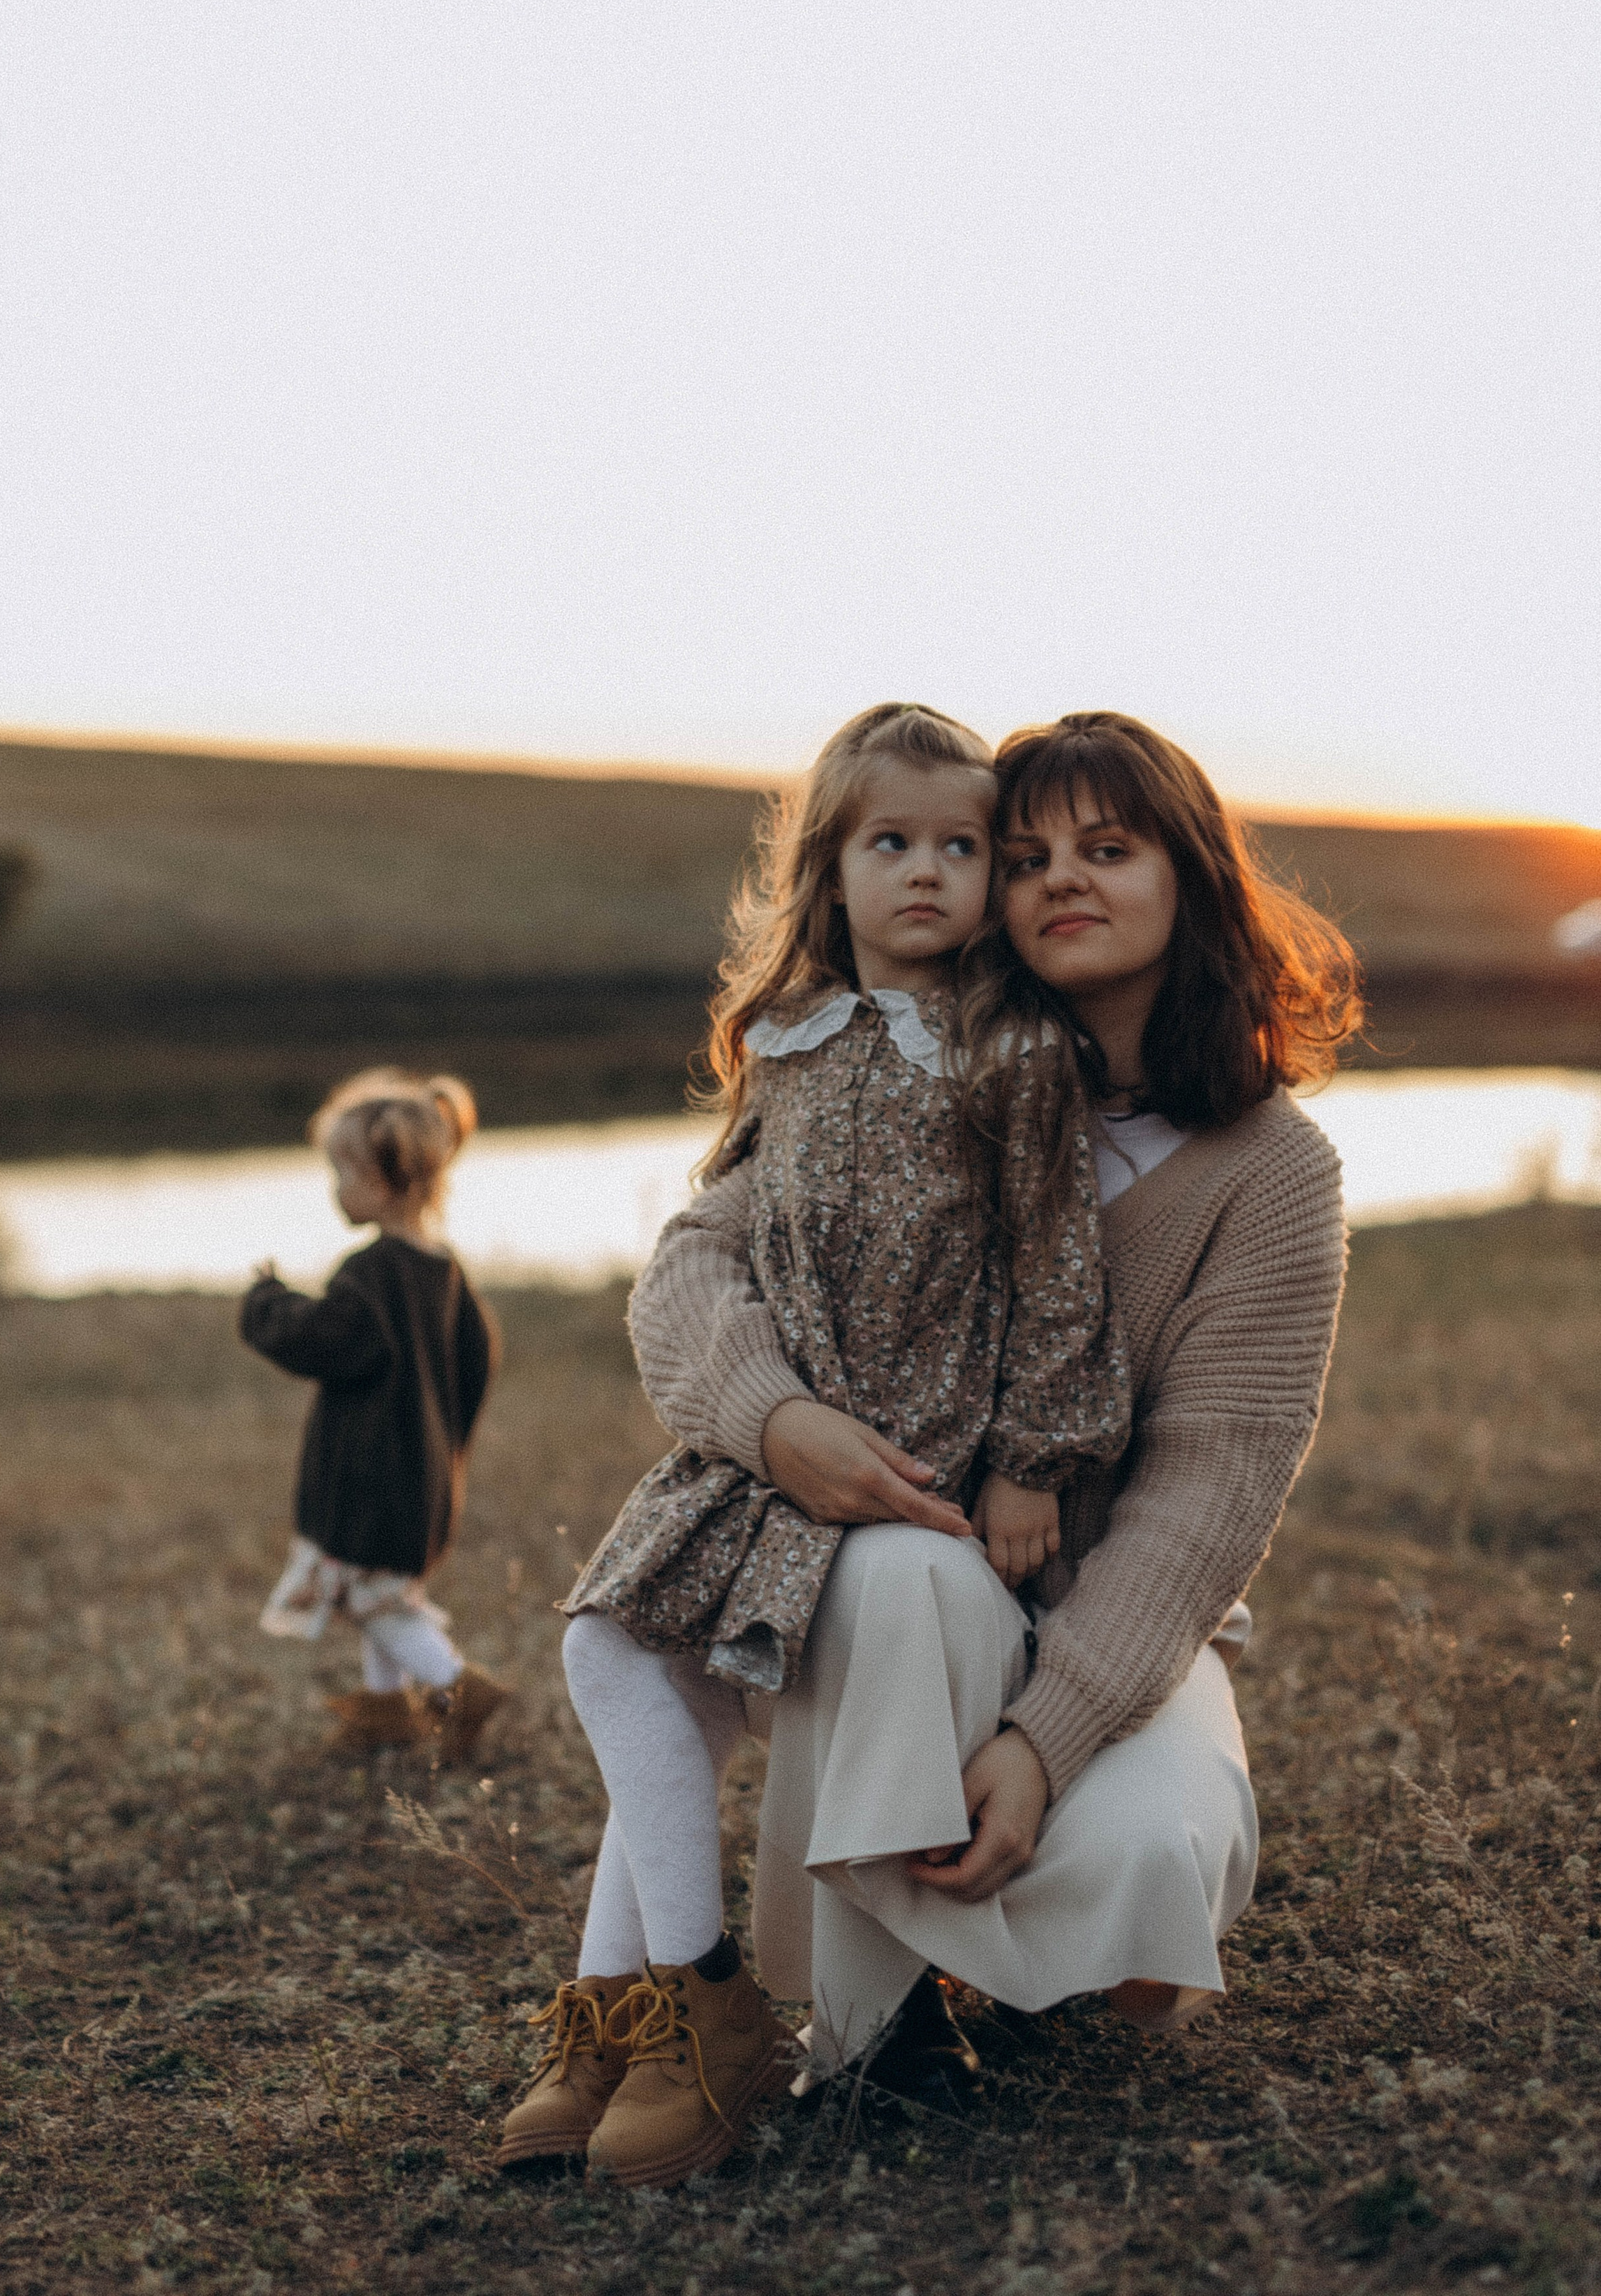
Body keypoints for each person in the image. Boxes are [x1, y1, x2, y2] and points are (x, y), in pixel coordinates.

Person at [626, 712, 1357, 2093]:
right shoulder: (908, 1071)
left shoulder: (1271, 1172)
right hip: (885, 1601)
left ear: (1187, 876)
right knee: (904, 1576)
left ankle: (1004, 1920)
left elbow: (1205, 1494)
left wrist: (1043, 1740)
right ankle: (860, 2042)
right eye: (1022, 856)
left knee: (1140, 1869)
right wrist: (772, 1420)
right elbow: (692, 1261)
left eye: (1108, 848)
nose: (1061, 879)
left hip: (1101, 1627)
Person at [500, 703, 1133, 2186]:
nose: (925, 872)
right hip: (771, 1453)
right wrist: (764, 1411)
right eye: (887, 842)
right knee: (616, 1653)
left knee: (645, 1673)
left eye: (959, 846)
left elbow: (1056, 1263)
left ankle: (680, 2014)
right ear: (827, 869)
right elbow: (709, 1240)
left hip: (908, 1460)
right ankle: (656, 2009)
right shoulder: (779, 1043)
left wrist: (1036, 1453)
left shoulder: (1010, 1049)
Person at [242, 1068, 510, 1763]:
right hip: (422, 1473)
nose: (335, 1188)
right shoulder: (442, 1268)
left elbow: (324, 1339)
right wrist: (444, 1435)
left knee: (371, 1599)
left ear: (390, 1178)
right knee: (380, 1595)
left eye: (344, 1171)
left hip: (372, 1479)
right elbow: (480, 1358)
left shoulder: (372, 1272)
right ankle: (384, 1716)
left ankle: (457, 1687)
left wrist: (267, 1304)